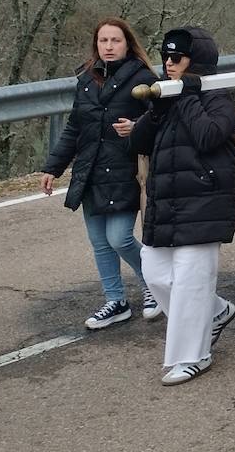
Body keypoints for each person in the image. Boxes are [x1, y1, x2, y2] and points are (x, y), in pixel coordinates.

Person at [124, 28, 235, 386]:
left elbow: (209, 135)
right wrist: (158, 110)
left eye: (178, 58)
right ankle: (217, 311)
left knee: (192, 281)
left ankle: (195, 355)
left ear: (198, 62)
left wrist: (188, 95)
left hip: (205, 198)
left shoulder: (217, 94)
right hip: (168, 200)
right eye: (166, 56)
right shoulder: (166, 93)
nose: (169, 63)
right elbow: (137, 142)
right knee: (155, 270)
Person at [41, 17, 160, 330]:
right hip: (90, 171)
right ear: (96, 44)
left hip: (126, 169)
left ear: (127, 43)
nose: (108, 46)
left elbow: (161, 119)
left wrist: (137, 128)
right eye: (103, 41)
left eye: (115, 40)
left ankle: (155, 286)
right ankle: (115, 301)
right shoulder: (86, 78)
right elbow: (74, 127)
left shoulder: (143, 78)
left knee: (119, 238)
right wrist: (53, 167)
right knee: (99, 241)